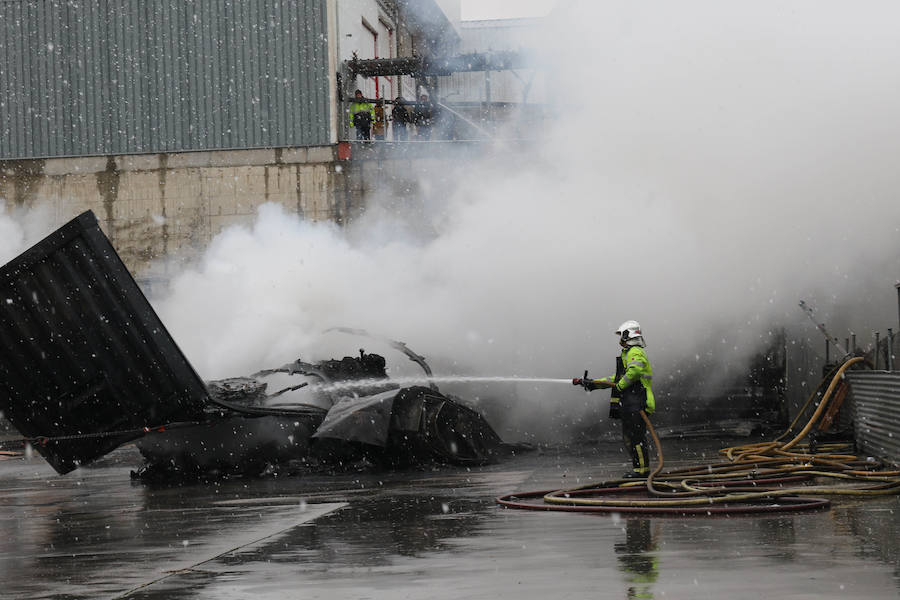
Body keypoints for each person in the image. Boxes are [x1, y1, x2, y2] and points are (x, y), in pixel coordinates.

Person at [573, 320, 655, 478]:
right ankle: (639, 469)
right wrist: (593, 384)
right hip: (632, 403)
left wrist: (619, 386)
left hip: (639, 402)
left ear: (627, 335)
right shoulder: (627, 353)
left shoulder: (635, 351)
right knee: (630, 438)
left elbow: (634, 372)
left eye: (621, 335)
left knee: (636, 438)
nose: (620, 339)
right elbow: (616, 378)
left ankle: (642, 472)